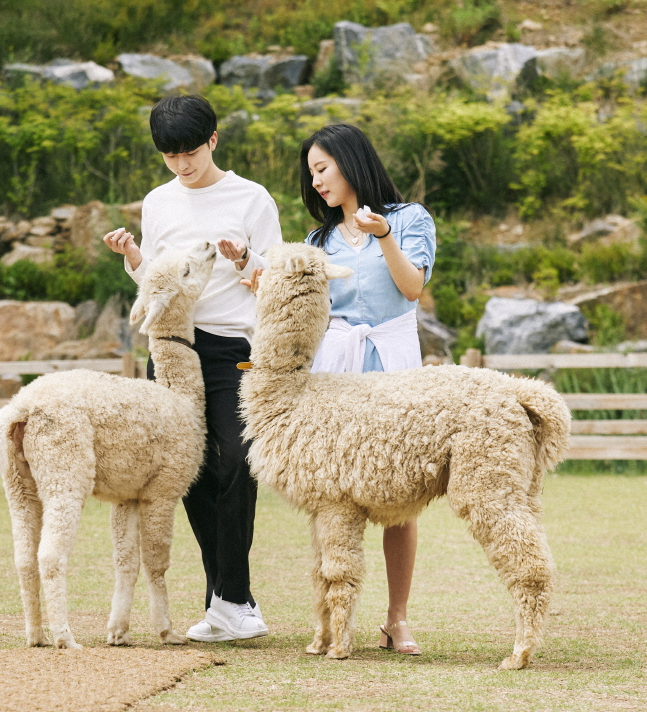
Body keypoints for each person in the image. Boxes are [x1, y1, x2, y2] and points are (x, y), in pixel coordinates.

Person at [249, 123, 436, 654]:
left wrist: (383, 237)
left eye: (322, 168)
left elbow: (412, 288)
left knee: (400, 500)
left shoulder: (407, 219)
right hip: (335, 369)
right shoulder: (318, 241)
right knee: (335, 499)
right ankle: (333, 614)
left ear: (351, 160)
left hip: (391, 363)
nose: (317, 182)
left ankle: (397, 618)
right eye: (311, 174)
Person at [102, 95, 281, 643]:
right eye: (170, 155)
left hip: (233, 345)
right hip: (173, 347)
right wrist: (134, 258)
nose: (182, 165)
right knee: (189, 472)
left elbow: (273, 275)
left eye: (190, 153)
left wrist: (243, 261)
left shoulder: (252, 199)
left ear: (214, 141)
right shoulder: (158, 202)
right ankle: (229, 602)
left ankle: (233, 598)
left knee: (237, 463)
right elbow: (157, 282)